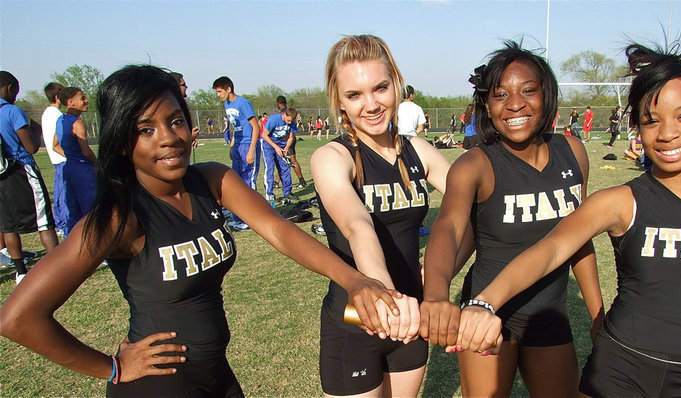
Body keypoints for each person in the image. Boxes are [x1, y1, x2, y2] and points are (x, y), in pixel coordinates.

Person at [0, 65, 410, 396]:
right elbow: (18, 318)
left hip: (217, 374)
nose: (169, 139)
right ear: (123, 142)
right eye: (146, 129)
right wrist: (111, 367)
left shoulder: (211, 180)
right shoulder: (119, 217)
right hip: (157, 387)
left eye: (176, 121)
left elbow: (280, 231)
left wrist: (354, 280)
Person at [455, 42, 681, 397]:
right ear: (637, 127)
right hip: (618, 372)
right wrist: (483, 301)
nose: (667, 133)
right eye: (651, 120)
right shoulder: (619, 201)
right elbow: (551, 248)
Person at [420, 41, 604, 398]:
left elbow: (579, 238)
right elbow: (448, 228)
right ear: (487, 106)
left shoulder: (574, 153)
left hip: (549, 316)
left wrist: (597, 314)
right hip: (486, 312)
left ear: (547, 95)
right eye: (501, 95)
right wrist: (436, 297)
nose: (515, 104)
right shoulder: (475, 164)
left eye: (528, 91)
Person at [311, 34, 452, 397]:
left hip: (409, 322)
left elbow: (468, 205)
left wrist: (439, 267)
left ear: (397, 85)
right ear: (339, 102)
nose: (371, 104)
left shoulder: (419, 150)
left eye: (380, 88)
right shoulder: (331, 157)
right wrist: (386, 295)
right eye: (354, 95)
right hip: (358, 322)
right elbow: (357, 226)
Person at [0, 71, 59, 284]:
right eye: (16, 90)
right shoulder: (12, 112)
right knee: (44, 221)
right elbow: (31, 147)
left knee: (8, 225)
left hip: (1, 177)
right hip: (21, 171)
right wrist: (35, 130)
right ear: (9, 87)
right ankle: (56, 266)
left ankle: (20, 271)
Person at [213, 76, 259, 230]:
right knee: (236, 182)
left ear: (228, 89)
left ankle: (252, 218)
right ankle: (239, 218)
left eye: (220, 91)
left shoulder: (243, 103)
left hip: (248, 144)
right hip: (238, 145)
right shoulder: (227, 104)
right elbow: (234, 128)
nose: (218, 95)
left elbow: (256, 127)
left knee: (248, 181)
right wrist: (232, 147)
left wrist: (251, 149)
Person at [53, 87, 95, 236]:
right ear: (71, 102)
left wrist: (71, 156)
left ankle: (73, 241)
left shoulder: (60, 120)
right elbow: (86, 151)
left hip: (69, 168)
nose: (86, 100)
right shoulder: (77, 124)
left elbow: (55, 146)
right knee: (90, 207)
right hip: (83, 170)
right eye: (82, 98)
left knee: (73, 208)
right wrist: (97, 163)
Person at [41, 82, 68, 236]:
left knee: (58, 191)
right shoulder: (58, 116)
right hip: (62, 157)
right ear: (58, 97)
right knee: (65, 193)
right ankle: (64, 225)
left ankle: (59, 222)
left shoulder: (46, 113)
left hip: (55, 158)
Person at [262, 108, 298, 202]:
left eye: (291, 121)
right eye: (288, 120)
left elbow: (291, 137)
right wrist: (275, 147)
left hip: (281, 144)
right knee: (270, 168)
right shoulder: (273, 120)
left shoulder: (292, 123)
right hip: (268, 145)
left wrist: (286, 147)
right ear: (284, 114)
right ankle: (269, 194)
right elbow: (264, 135)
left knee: (285, 168)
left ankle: (287, 193)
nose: (290, 123)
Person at [275, 96, 308, 189]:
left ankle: (302, 180)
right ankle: (276, 181)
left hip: (287, 140)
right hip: (289, 139)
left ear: (278, 103)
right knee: (285, 160)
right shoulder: (288, 111)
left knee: (292, 160)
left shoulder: (284, 113)